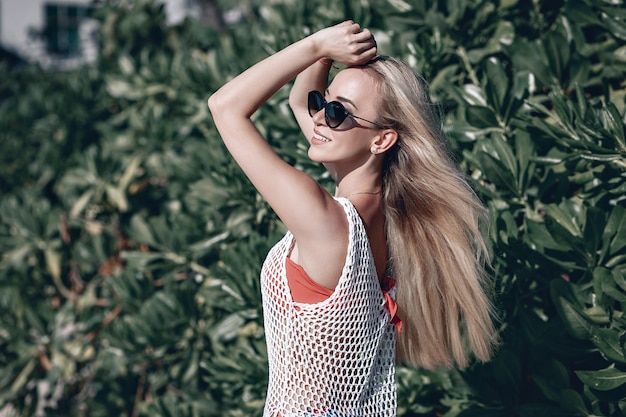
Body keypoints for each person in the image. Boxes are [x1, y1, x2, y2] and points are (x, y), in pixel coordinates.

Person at [208, 20, 498, 417]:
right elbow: (299, 100)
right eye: (324, 104)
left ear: (381, 139)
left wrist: (316, 45)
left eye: (339, 112)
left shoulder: (327, 222)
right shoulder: (381, 213)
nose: (321, 119)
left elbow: (224, 107)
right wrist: (332, 52)